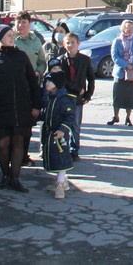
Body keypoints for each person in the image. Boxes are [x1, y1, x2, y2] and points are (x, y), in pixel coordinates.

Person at [0, 25, 41, 193]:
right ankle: (5, 175)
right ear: (0, 38)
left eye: (13, 35)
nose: (12, 37)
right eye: (9, 35)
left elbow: (33, 82)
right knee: (3, 143)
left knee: (18, 142)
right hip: (0, 107)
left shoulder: (21, 56)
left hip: (21, 107)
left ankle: (15, 178)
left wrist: (37, 104)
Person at [54, 32, 95, 159]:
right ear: (63, 45)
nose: (70, 45)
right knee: (64, 123)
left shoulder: (84, 60)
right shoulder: (60, 60)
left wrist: (88, 95)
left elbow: (91, 78)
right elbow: (60, 79)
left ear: (78, 43)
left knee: (76, 125)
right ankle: (64, 148)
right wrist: (76, 88)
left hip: (77, 99)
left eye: (73, 42)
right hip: (65, 97)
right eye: (67, 43)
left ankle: (74, 149)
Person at [12, 12, 45, 166]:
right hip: (12, 87)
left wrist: (38, 72)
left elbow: (42, 62)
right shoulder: (10, 38)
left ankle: (23, 154)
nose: (21, 25)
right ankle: (13, 154)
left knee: (27, 124)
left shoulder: (35, 41)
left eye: (24, 22)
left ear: (29, 24)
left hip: (31, 87)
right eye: (18, 22)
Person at [41, 60, 77, 200]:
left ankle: (60, 185)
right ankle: (62, 181)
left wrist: (63, 129)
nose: (46, 85)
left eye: (49, 82)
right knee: (54, 158)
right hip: (50, 133)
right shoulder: (51, 98)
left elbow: (70, 116)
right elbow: (48, 113)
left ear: (56, 84)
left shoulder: (63, 99)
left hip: (59, 135)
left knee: (61, 159)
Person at [108, 19, 133, 126]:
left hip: (132, 72)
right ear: (123, 28)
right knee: (117, 96)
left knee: (130, 97)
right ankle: (116, 116)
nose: (129, 30)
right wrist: (125, 65)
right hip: (120, 72)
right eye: (127, 27)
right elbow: (114, 56)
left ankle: (128, 118)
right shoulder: (117, 41)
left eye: (131, 28)